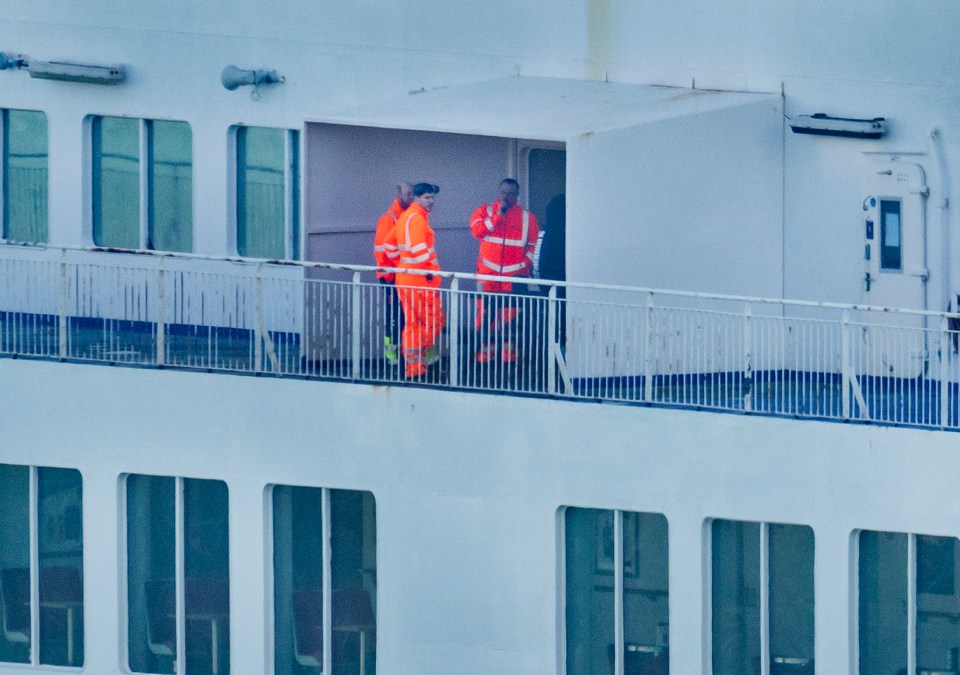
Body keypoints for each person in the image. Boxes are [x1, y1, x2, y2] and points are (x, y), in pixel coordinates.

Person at [469, 178, 540, 363]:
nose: (507, 197)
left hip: (515, 277)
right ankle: (485, 354)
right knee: (485, 314)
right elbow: (477, 232)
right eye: (503, 192)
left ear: (517, 195)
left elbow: (533, 246)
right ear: (498, 192)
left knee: (511, 315)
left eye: (511, 193)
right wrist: (497, 217)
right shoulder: (485, 211)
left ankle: (509, 355)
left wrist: (523, 264)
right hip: (488, 276)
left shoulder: (528, 218)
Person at [390, 183, 446, 379]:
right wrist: (430, 273)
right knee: (433, 321)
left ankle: (415, 367)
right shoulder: (417, 220)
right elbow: (420, 252)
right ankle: (418, 361)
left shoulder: (405, 217)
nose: (431, 202)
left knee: (414, 323)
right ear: (416, 198)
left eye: (432, 198)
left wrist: (402, 266)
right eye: (427, 197)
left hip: (406, 278)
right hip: (421, 281)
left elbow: (389, 245)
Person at [373, 182, 413, 365]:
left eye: (413, 194)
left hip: (400, 277)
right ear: (398, 194)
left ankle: (402, 354)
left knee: (403, 317)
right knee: (393, 318)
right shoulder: (390, 218)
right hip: (391, 279)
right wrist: (390, 277)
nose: (411, 197)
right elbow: (381, 251)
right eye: (408, 194)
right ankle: (391, 356)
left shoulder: (404, 217)